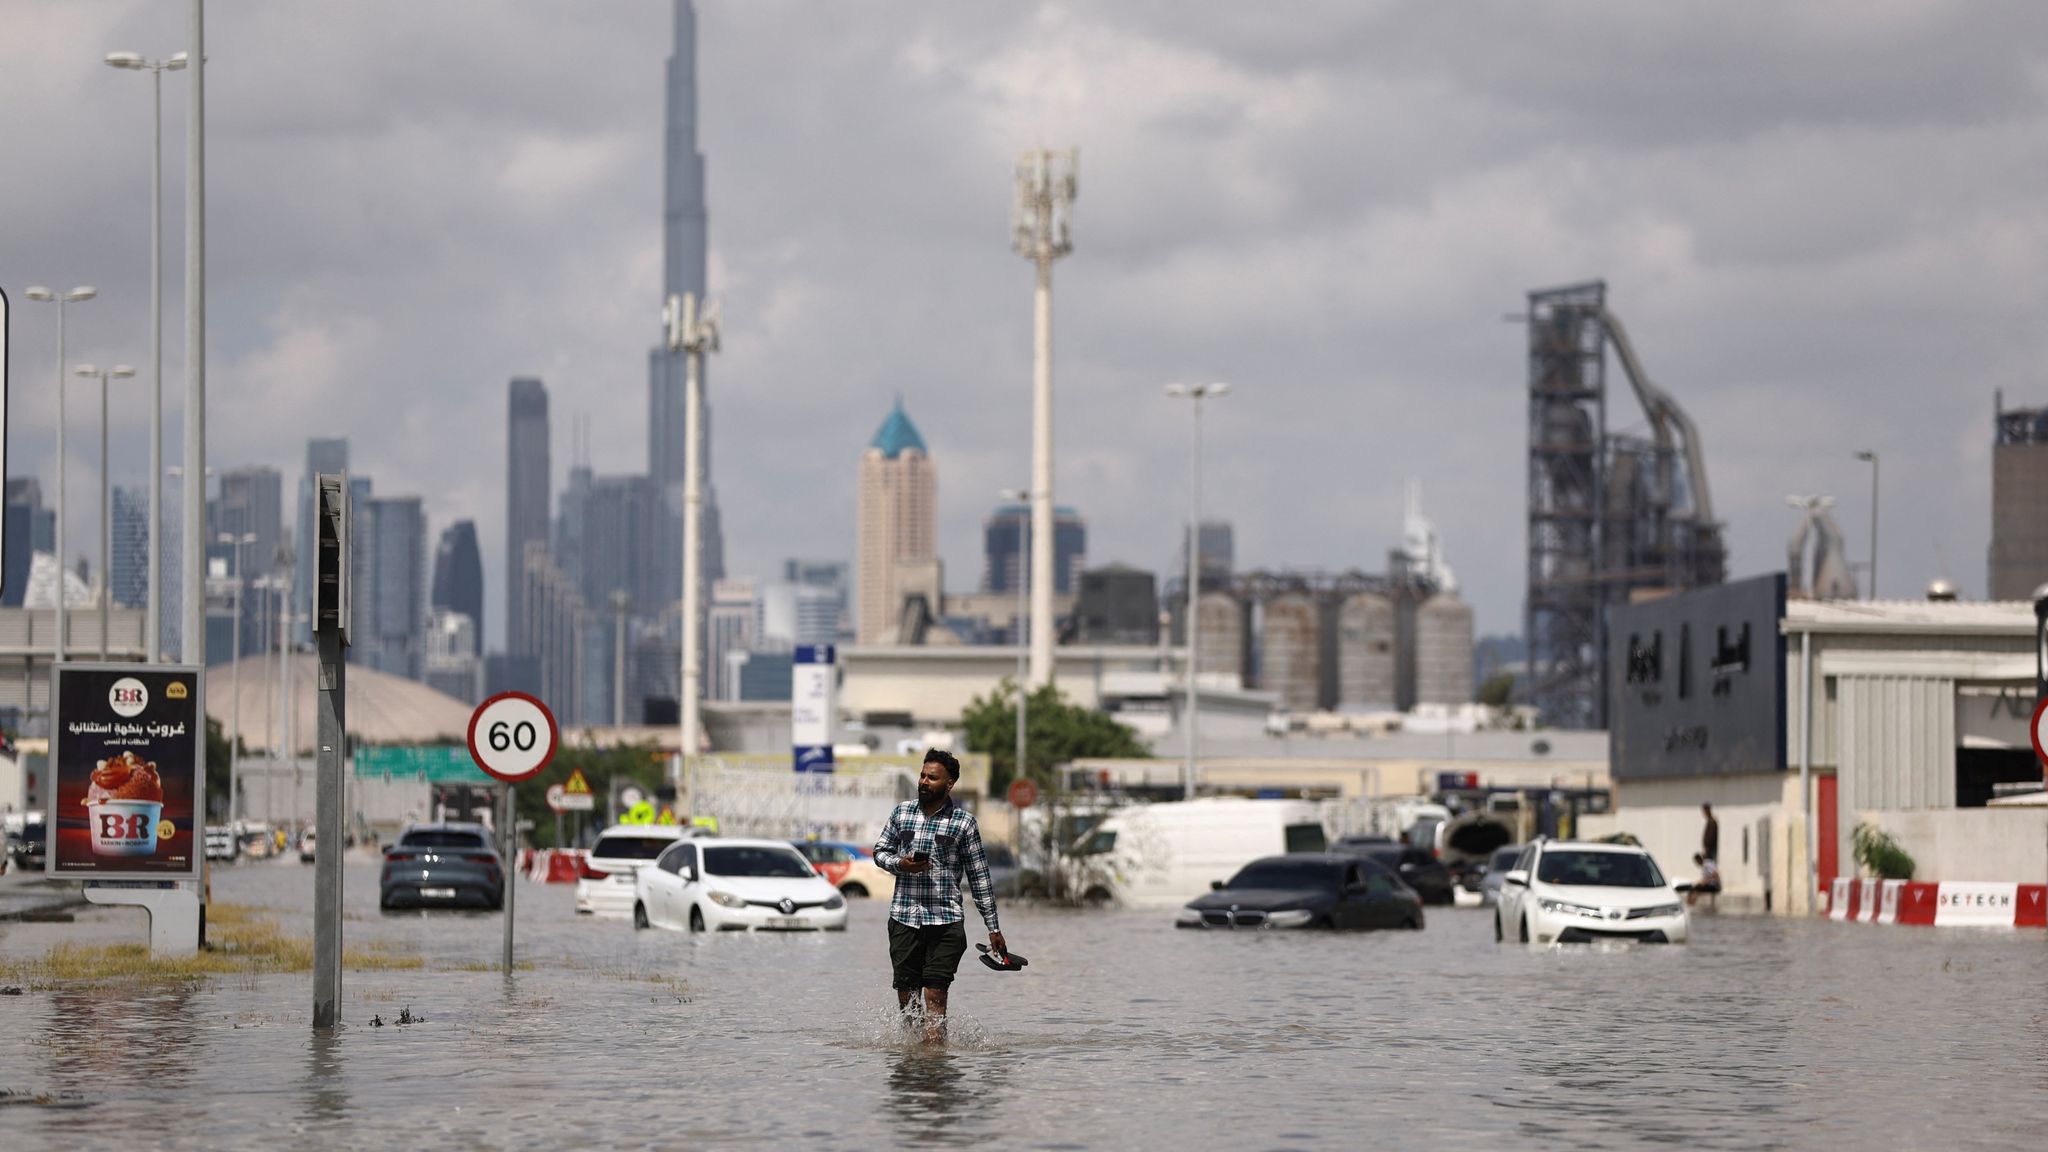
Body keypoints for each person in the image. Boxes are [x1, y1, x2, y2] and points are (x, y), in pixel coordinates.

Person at [874, 749, 1006, 1044]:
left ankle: (934, 1063)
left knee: (935, 993)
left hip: (945, 922)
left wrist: (993, 927)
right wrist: (901, 864)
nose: (924, 782)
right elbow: (879, 852)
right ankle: (912, 1060)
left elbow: (979, 877)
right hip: (904, 919)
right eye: (922, 775)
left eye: (932, 778)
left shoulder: (964, 823)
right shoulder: (901, 813)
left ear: (949, 784)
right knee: (908, 1000)